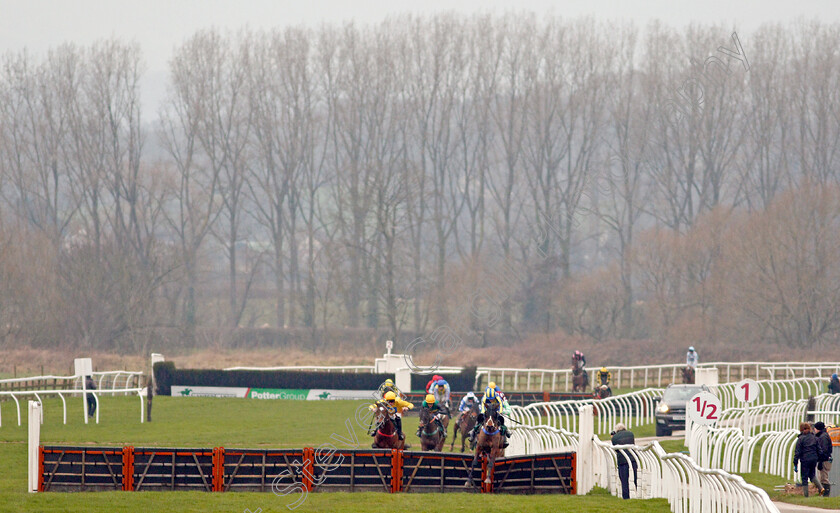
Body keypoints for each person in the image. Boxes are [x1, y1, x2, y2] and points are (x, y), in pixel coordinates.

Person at [794, 422, 824, 497]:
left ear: (801, 429)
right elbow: (819, 450)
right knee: (812, 475)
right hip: (814, 459)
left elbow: (797, 452)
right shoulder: (815, 438)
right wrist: (819, 460)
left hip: (805, 460)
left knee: (804, 478)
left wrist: (795, 463)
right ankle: (821, 488)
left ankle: (806, 496)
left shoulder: (800, 439)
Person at [611, 423, 637, 500]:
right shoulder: (631, 434)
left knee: (624, 479)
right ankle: (639, 493)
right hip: (633, 458)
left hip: (622, 461)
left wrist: (612, 437)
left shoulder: (614, 437)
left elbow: (615, 448)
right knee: (636, 477)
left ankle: (626, 497)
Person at [815, 421, 833, 496]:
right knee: (822, 477)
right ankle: (824, 494)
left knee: (824, 478)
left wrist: (820, 461)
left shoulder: (823, 437)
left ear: (818, 429)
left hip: (824, 460)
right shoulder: (823, 435)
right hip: (824, 459)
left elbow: (824, 450)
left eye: (815, 428)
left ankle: (825, 495)